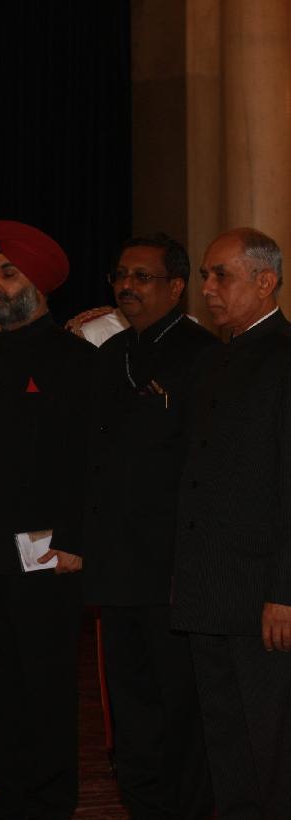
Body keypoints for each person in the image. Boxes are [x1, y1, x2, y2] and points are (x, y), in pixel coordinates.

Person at [0, 220, 95, 820]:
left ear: (41, 284)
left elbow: (86, 462)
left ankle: (51, 799)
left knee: (45, 681)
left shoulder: (77, 360)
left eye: (8, 274)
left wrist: (76, 538)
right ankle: (10, 792)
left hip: (48, 552)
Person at [80, 234, 216, 818]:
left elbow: (208, 469)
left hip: (174, 570)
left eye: (142, 276)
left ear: (176, 287)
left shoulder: (203, 354)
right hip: (116, 568)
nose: (126, 286)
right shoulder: (110, 354)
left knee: (180, 706)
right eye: (120, 275)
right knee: (129, 709)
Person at [171, 227, 291, 816]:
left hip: (263, 596)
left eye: (222, 275)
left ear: (265, 282)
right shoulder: (214, 361)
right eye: (205, 276)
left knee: (271, 750)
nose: (209, 288)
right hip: (209, 589)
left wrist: (284, 592)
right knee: (226, 746)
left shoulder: (286, 358)